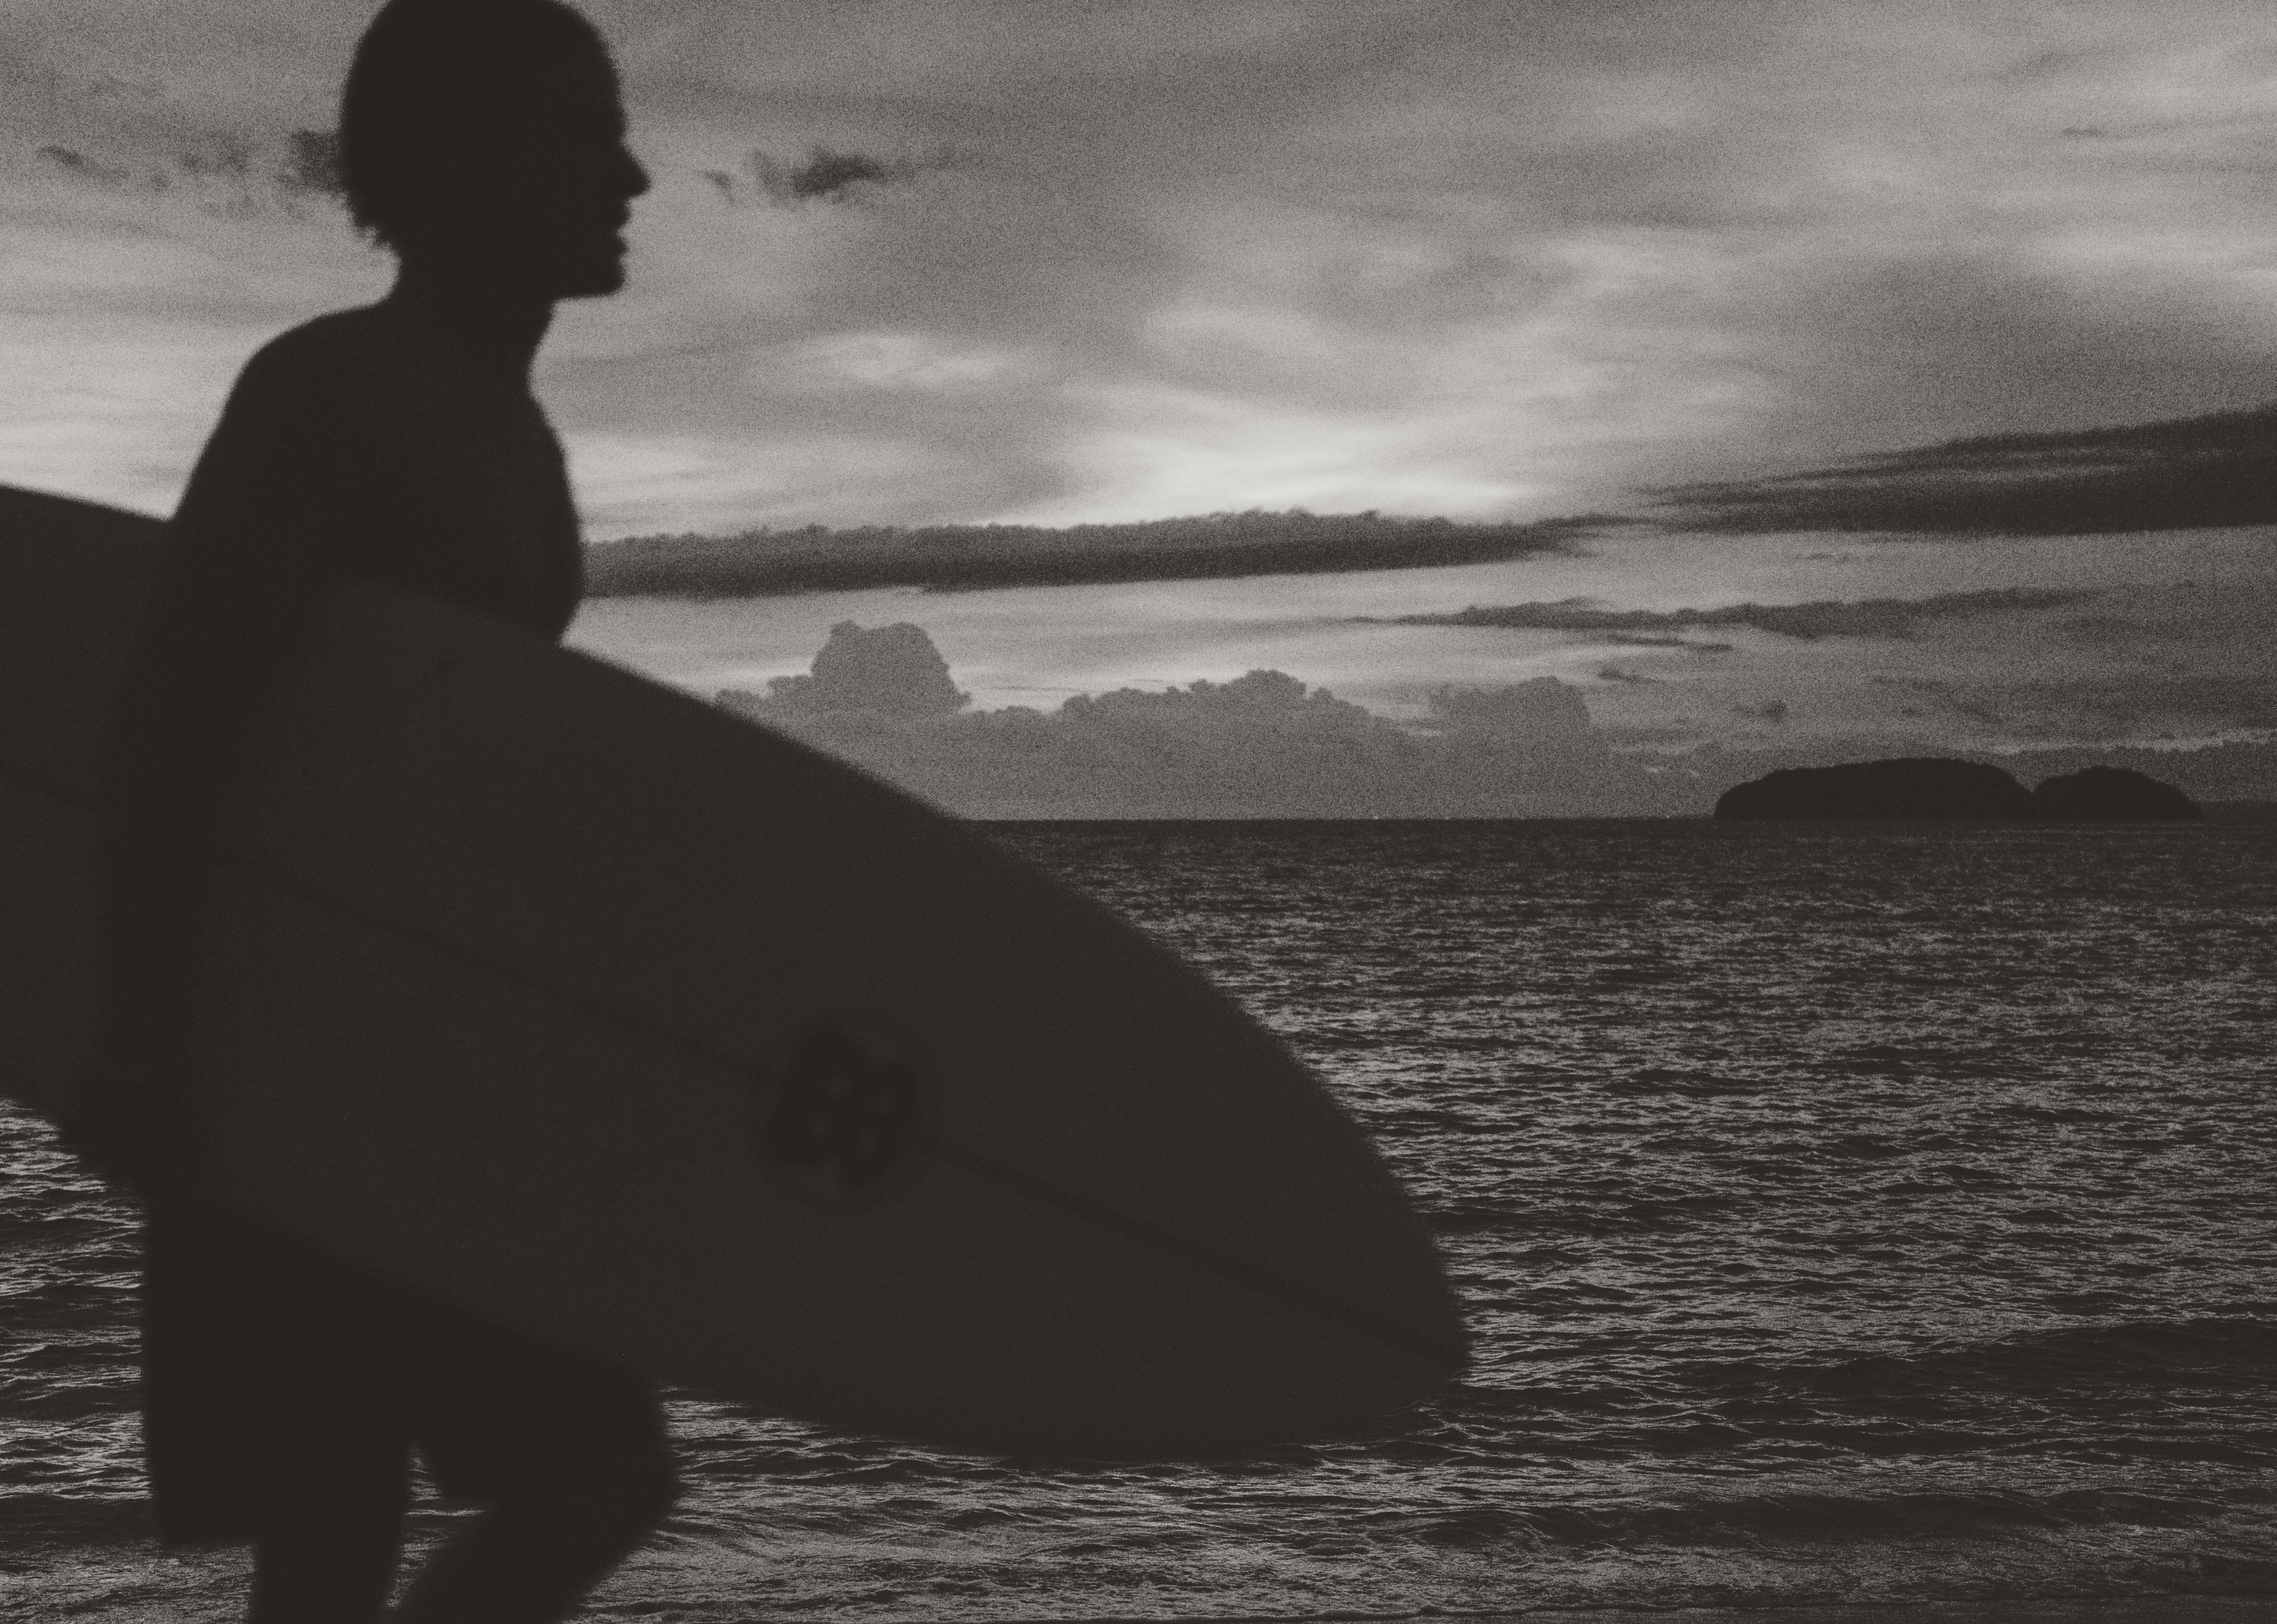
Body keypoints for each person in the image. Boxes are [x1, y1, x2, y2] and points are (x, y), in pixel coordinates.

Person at [66, 1, 674, 1617]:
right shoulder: (335, 393)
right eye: (578, 129)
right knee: (353, 1525)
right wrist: (135, 1045)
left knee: (537, 1488)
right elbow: (170, 725)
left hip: (434, 1071)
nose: (631, 172)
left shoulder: (508, 431)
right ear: (457, 160)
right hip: (285, 1072)